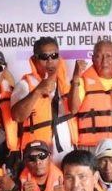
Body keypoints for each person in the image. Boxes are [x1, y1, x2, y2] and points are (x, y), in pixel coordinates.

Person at [10, 36, 80, 165]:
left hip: (66, 155)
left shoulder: (64, 84)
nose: (50, 61)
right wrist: (37, 91)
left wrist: (75, 79)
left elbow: (74, 109)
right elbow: (17, 116)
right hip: (37, 158)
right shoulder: (25, 85)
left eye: (54, 56)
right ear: (36, 59)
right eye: (44, 57)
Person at [72, 40, 112, 152]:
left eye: (108, 56)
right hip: (90, 148)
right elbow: (73, 109)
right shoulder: (82, 81)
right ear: (93, 59)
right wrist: (75, 78)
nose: (104, 61)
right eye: (99, 56)